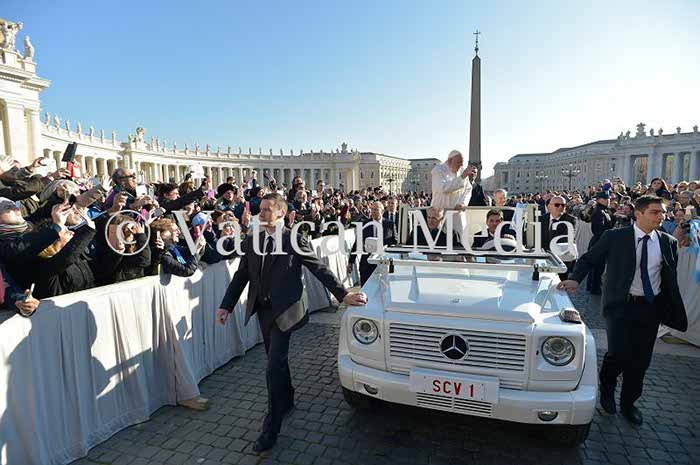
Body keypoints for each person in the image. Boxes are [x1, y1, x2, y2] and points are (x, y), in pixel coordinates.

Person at [216, 193, 367, 452]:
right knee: (275, 361)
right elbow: (242, 276)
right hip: (263, 310)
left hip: (286, 310)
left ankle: (271, 428)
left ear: (281, 214)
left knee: (273, 366)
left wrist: (343, 294)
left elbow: (318, 268)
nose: (261, 214)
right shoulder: (252, 240)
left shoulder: (294, 239)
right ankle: (286, 398)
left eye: (267, 209)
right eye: (260, 209)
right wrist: (225, 305)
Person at [558, 195, 687, 425]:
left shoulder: (667, 242)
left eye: (662, 212)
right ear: (638, 214)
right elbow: (589, 258)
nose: (661, 216)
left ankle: (629, 403)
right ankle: (607, 390)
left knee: (640, 360)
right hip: (620, 306)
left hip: (650, 308)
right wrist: (576, 279)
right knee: (617, 353)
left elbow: (668, 277)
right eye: (655, 212)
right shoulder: (615, 237)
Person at [347, 201, 397, 286]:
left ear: (382, 211)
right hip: (367, 264)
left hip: (384, 263)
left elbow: (395, 242)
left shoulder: (389, 224)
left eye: (376, 210)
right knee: (366, 289)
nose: (373, 212)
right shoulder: (365, 224)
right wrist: (351, 261)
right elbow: (357, 243)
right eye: (372, 209)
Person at [539, 195, 577, 279]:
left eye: (563, 205)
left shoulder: (570, 220)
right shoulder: (541, 219)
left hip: (561, 260)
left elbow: (565, 239)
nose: (560, 207)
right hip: (543, 258)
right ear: (549, 207)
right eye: (557, 205)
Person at [587, 191, 613, 294]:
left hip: (602, 240)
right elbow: (597, 229)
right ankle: (595, 288)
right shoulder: (598, 211)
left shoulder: (603, 210)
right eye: (605, 199)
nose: (608, 200)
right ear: (598, 200)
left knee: (599, 266)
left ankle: (593, 286)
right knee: (598, 267)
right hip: (599, 241)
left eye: (608, 198)